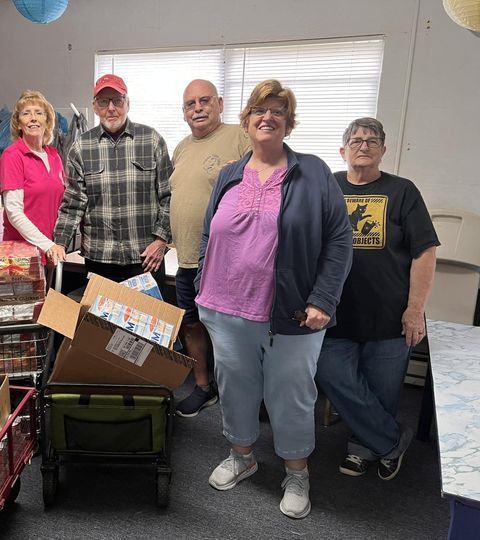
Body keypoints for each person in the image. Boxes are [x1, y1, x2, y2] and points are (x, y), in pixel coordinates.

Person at [194, 79, 352, 519]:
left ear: (288, 123)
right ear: (246, 121)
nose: (268, 117)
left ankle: (296, 470)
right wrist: (206, 286)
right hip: (225, 309)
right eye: (260, 110)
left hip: (292, 314)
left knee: (291, 394)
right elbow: (210, 231)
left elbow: (340, 239)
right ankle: (242, 456)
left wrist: (324, 298)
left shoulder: (314, 172)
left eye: (278, 111)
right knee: (236, 387)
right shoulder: (229, 173)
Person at [315, 117, 439, 481]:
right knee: (331, 374)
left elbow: (425, 252)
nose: (363, 145)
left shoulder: (403, 191)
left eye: (372, 140)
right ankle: (392, 441)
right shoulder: (328, 186)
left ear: (384, 150)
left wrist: (415, 309)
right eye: (355, 140)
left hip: (389, 318)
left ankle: (362, 448)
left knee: (382, 393)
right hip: (334, 316)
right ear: (342, 151)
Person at [171, 79, 250, 417]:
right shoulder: (181, 147)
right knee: (191, 324)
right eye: (190, 104)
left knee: (232, 331)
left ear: (219, 103)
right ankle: (203, 386)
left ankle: (245, 394)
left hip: (226, 261)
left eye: (205, 101)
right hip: (186, 259)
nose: (198, 108)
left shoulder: (240, 137)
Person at [51, 74, 172, 285]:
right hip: (100, 259)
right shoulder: (81, 147)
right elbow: (72, 204)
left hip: (145, 257)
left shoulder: (152, 140)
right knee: (101, 319)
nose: (111, 108)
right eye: (103, 101)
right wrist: (60, 243)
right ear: (95, 107)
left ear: (127, 103)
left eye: (117, 100)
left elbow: (169, 196)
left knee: (149, 318)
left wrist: (161, 240)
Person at [0, 90, 65, 265]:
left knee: (52, 293)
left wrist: (56, 244)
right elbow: (13, 211)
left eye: (39, 113)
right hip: (23, 256)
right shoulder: (12, 156)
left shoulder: (54, 156)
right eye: (26, 113)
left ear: (47, 121)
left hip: (51, 252)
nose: (33, 118)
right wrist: (47, 245)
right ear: (19, 124)